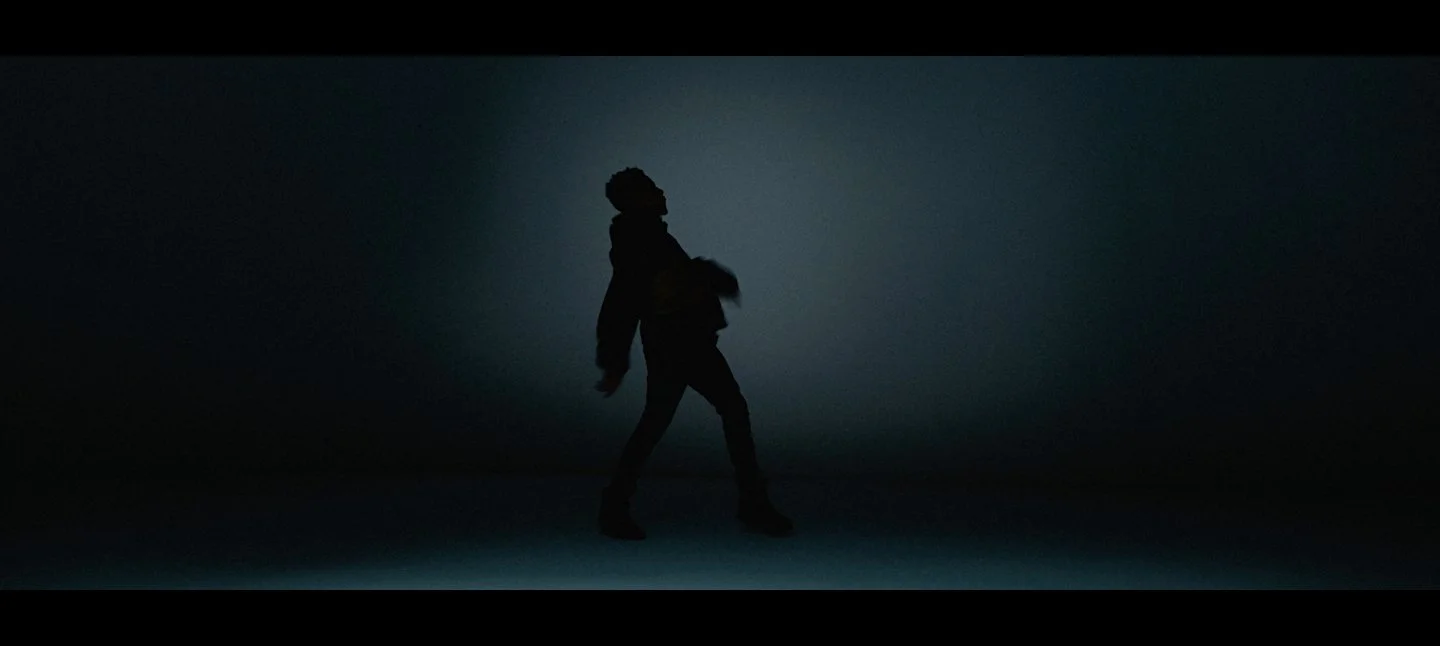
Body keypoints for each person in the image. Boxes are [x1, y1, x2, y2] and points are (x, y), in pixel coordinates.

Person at [593, 167, 793, 540]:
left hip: (684, 342)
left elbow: (664, 285)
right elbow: (623, 302)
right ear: (637, 200)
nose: (661, 192)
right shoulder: (640, 242)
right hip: (677, 345)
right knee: (708, 414)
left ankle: (616, 505)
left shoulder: (649, 238)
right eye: (652, 188)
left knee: (690, 416)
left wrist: (704, 276)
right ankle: (751, 503)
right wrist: (614, 362)